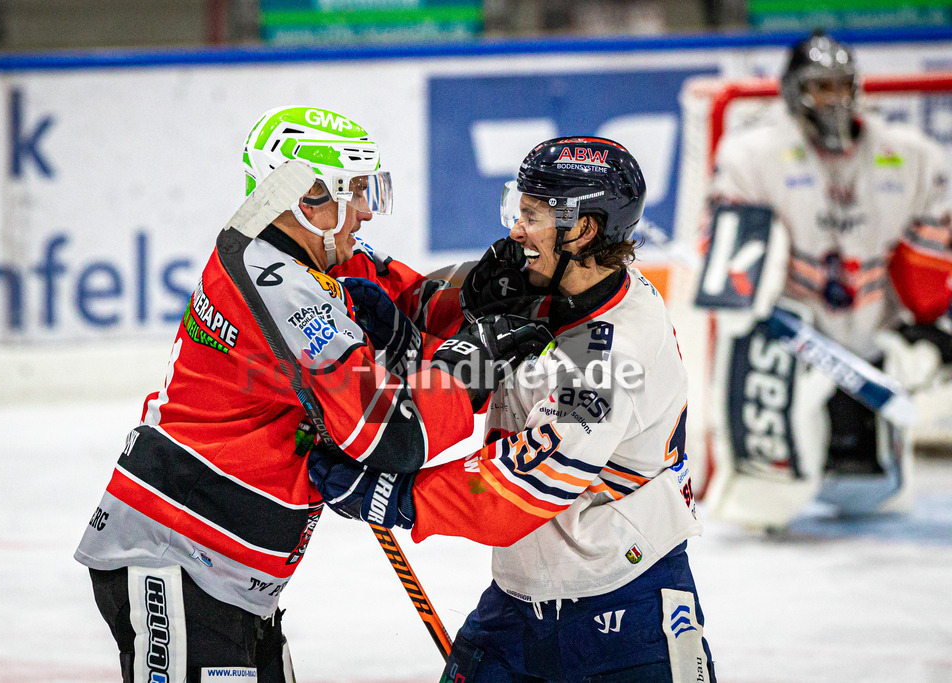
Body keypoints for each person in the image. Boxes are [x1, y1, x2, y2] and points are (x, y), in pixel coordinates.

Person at [74, 105, 550, 681]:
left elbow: (414, 301)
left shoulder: (314, 258)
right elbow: (390, 431)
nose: (363, 213)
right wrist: (472, 365)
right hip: (176, 557)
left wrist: (482, 288)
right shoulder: (273, 281)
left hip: (232, 576)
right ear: (304, 196)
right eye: (351, 192)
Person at [309, 137, 717, 681]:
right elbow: (471, 349)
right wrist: (405, 321)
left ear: (583, 228)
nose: (514, 229)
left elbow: (518, 490)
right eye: (515, 209)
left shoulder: (608, 351)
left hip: (623, 614)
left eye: (530, 214)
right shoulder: (560, 283)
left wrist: (394, 498)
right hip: (520, 597)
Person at [699, 30, 952, 527]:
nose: (833, 99)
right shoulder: (752, 153)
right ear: (794, 90)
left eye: (841, 85)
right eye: (820, 87)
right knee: (764, 495)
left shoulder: (912, 154)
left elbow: (932, 251)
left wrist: (927, 321)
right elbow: (731, 262)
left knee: (870, 491)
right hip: (792, 325)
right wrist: (755, 311)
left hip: (870, 321)